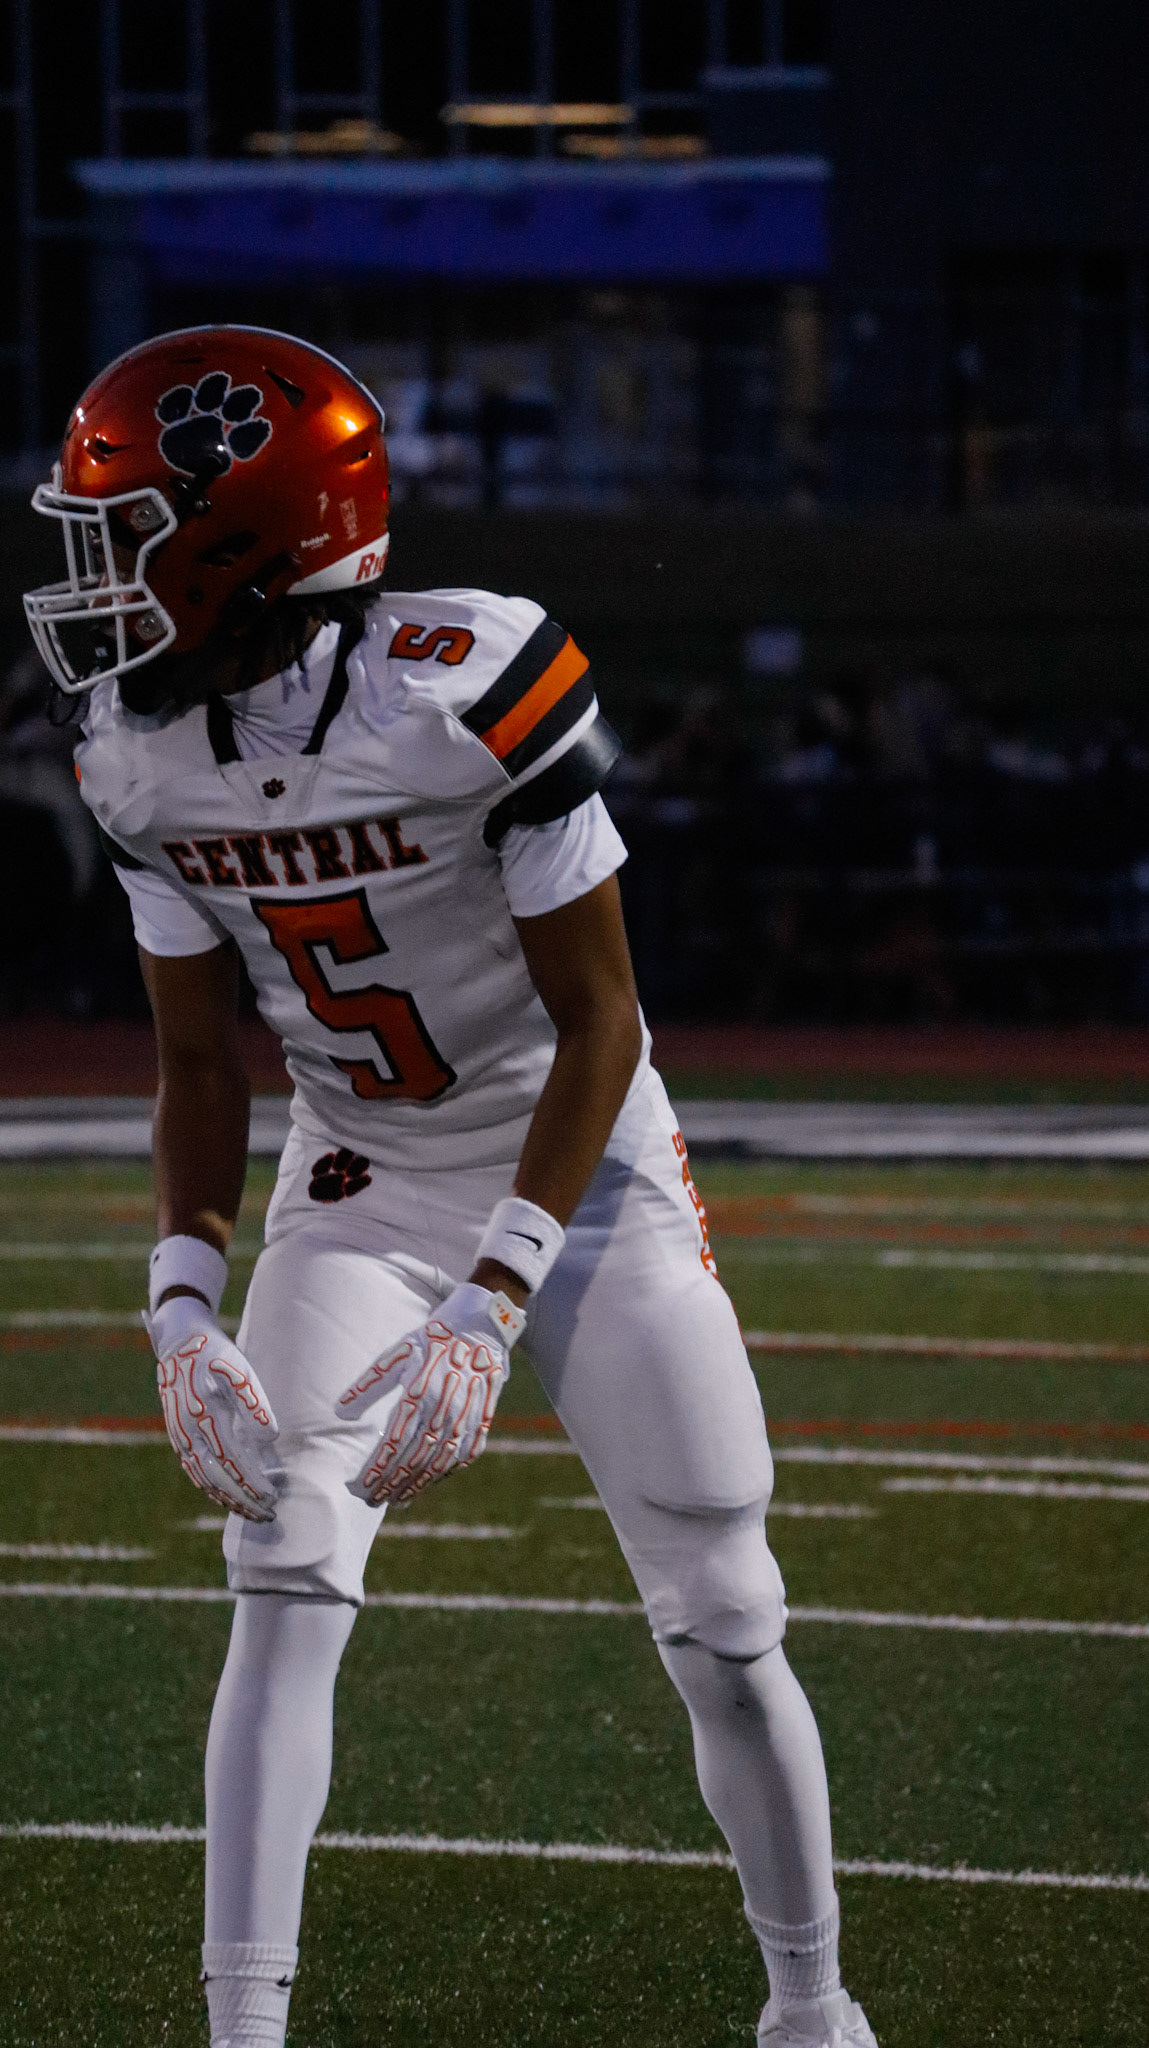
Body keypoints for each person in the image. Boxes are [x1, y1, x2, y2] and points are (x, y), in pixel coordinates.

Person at [24, 325, 878, 2048]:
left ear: (251, 542)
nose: (94, 584)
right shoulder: (135, 755)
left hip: (582, 1166)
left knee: (723, 1611)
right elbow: (201, 1064)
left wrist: (496, 1298)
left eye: (128, 538)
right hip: (364, 1173)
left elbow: (600, 1021)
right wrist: (179, 1303)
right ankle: (241, 2034)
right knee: (282, 1562)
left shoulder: (465, 686)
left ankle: (810, 2010)